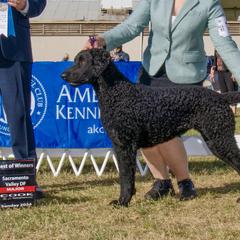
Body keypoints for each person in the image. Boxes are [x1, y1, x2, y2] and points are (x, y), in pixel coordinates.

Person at [83, 0, 240, 201]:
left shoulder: (209, 4)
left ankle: (185, 182)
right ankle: (162, 182)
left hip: (186, 76)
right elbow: (132, 26)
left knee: (168, 136)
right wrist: (103, 39)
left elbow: (224, 43)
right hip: (152, 70)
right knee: (143, 132)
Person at [0, 0, 47, 198]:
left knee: (19, 114)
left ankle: (26, 179)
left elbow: (38, 3)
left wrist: (24, 5)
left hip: (14, 50)